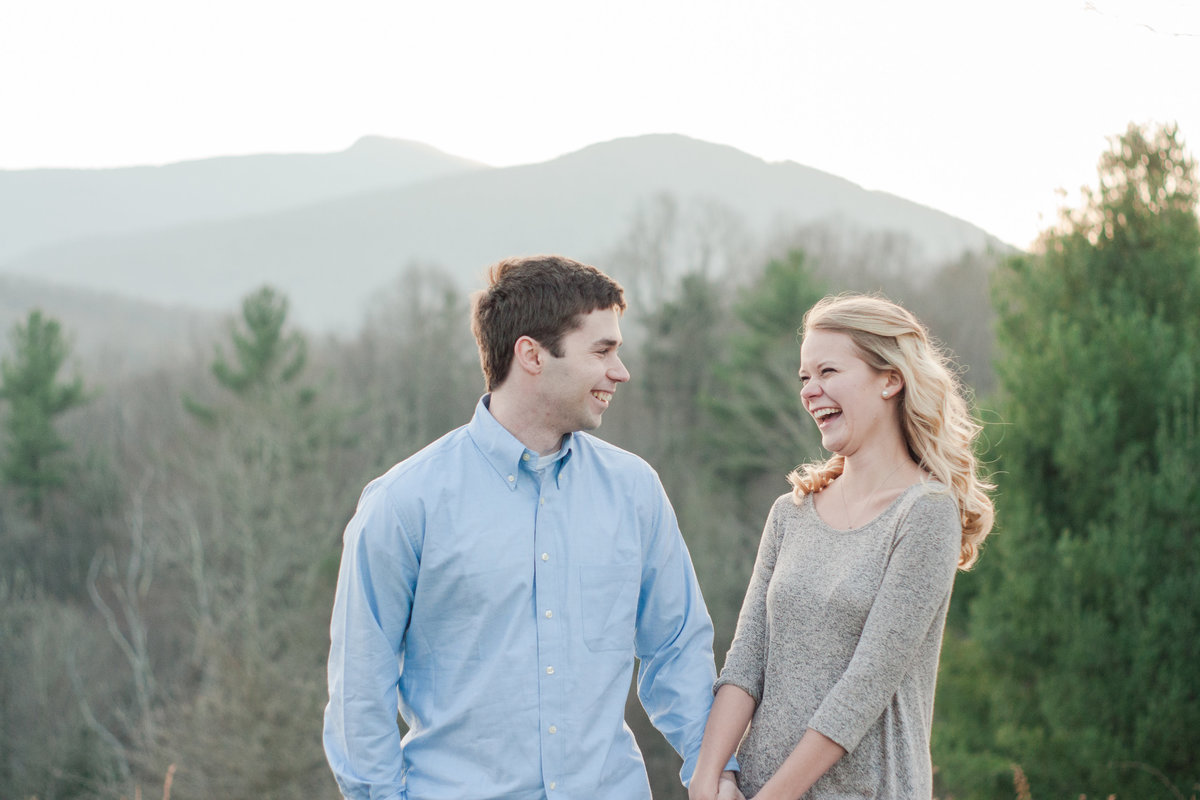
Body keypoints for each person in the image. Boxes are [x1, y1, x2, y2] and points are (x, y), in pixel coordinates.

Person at [323, 254, 737, 800]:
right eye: (603, 350)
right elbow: (360, 691)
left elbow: (677, 650)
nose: (621, 370)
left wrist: (714, 774)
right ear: (532, 354)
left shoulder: (635, 490)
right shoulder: (404, 504)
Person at [689, 294, 995, 800]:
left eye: (828, 371)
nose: (811, 391)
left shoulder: (925, 514)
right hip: (755, 786)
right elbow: (745, 664)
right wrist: (708, 778)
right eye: (804, 377)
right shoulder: (791, 512)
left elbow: (862, 689)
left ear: (890, 379)